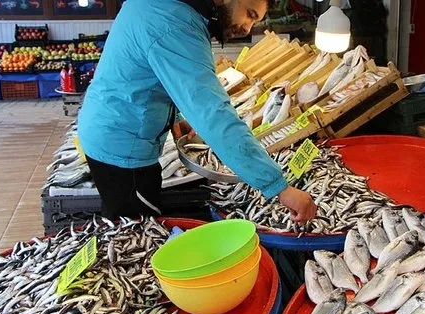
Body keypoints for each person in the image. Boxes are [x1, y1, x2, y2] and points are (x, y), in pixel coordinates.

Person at [77, 0, 317, 222]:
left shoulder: (168, 6)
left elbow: (152, 72)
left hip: (108, 126)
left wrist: (176, 116)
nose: (246, 27)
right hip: (122, 149)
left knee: (121, 219)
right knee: (136, 229)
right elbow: (213, 114)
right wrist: (278, 187)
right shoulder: (177, 25)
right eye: (249, 14)